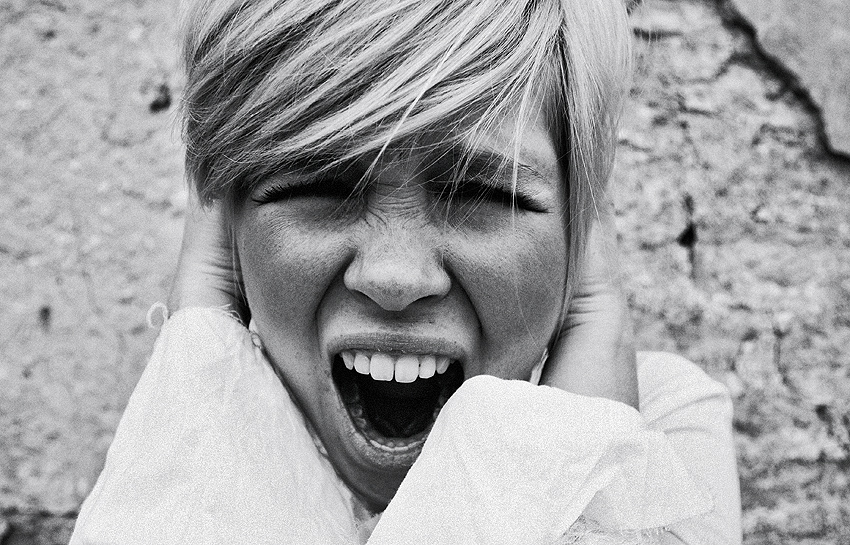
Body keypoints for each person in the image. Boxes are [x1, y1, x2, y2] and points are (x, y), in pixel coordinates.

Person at [70, 0, 742, 543]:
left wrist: (584, 400)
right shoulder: (186, 429)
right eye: (320, 185)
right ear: (227, 222)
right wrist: (200, 345)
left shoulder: (661, 431)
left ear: (581, 227)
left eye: (481, 192)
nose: (395, 278)